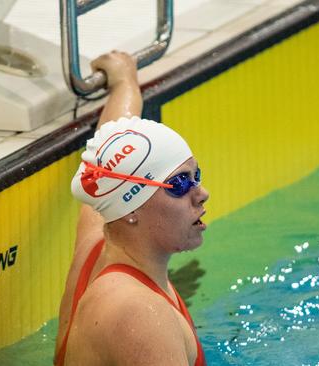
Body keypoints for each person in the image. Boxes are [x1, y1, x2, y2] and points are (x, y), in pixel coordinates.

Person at [54, 51, 209, 366]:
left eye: (196, 176)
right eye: (179, 184)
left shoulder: (101, 236)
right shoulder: (139, 315)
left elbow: (107, 160)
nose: (201, 194)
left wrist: (125, 83)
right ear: (131, 209)